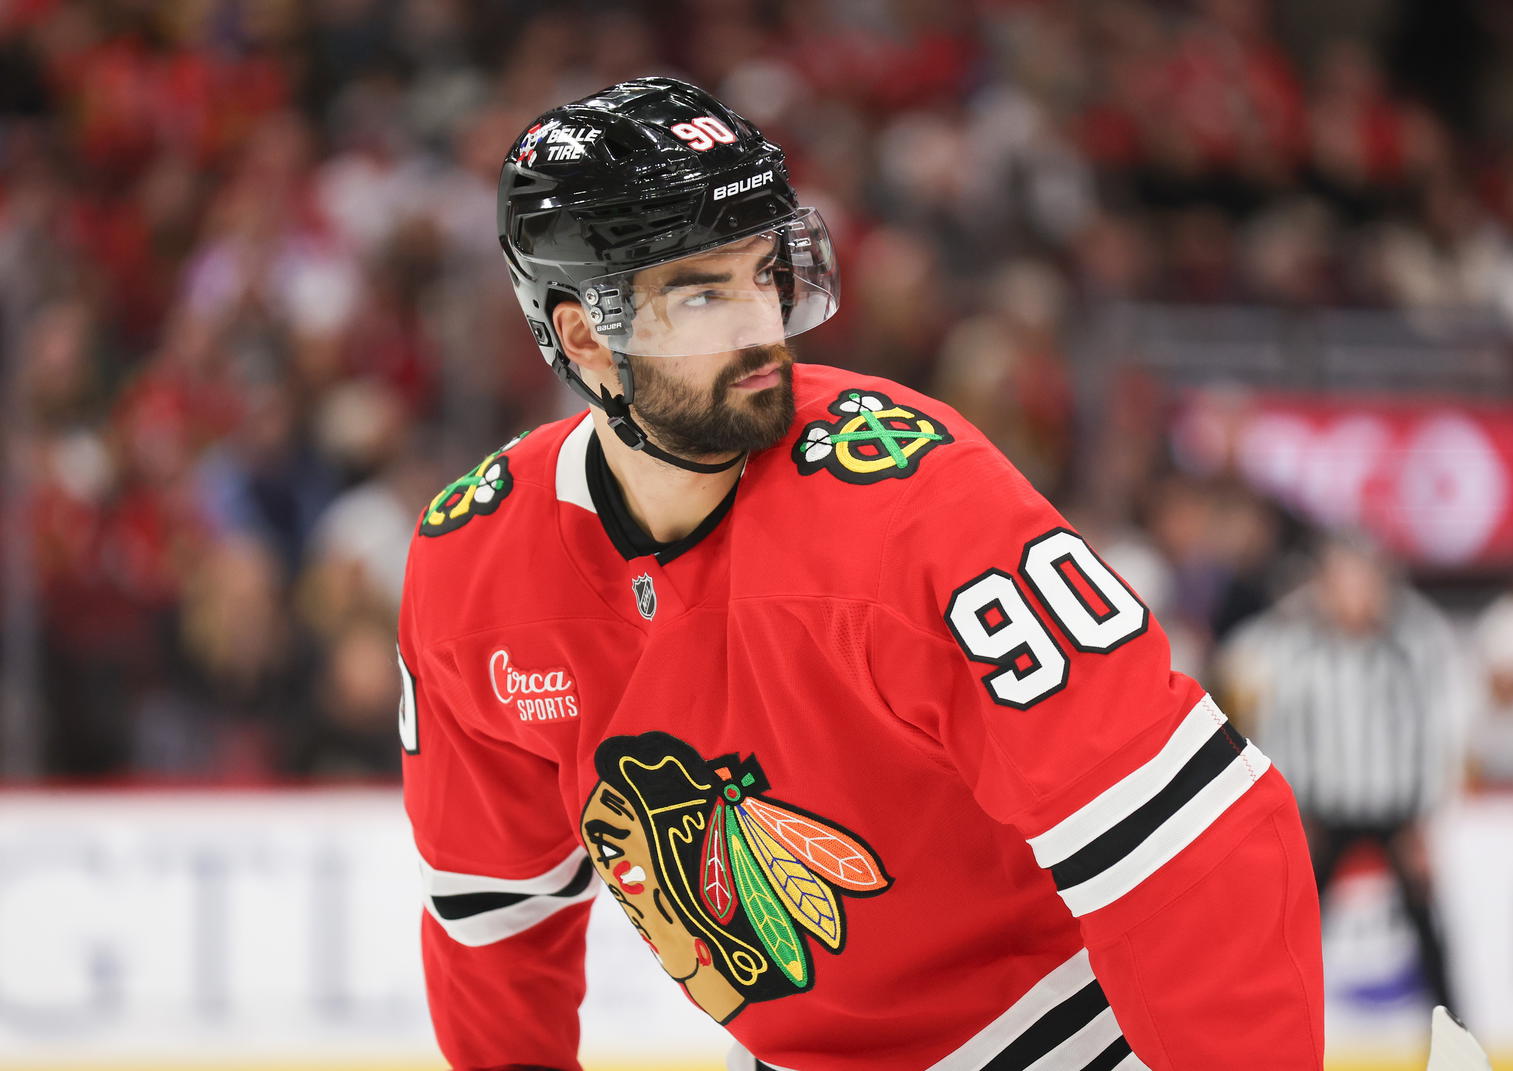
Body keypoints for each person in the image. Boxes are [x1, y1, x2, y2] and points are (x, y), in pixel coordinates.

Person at [398, 77, 1322, 1071]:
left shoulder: (917, 501)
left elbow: (1188, 837)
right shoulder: (471, 569)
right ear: (586, 335)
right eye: (703, 293)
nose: (763, 324)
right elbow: (494, 917)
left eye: (765, 273)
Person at [1218, 531, 1459, 1014]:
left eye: (1363, 581)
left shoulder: (1411, 649)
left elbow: (1435, 734)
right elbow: (1277, 725)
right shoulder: (1295, 651)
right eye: (1342, 581)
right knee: (1292, 934)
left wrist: (1425, 817)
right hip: (1321, 814)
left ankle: (1455, 1037)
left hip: (1396, 813)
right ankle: (1272, 1028)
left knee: (1429, 939)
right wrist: (1292, 810)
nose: (1354, 595)